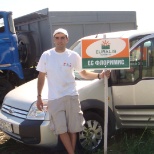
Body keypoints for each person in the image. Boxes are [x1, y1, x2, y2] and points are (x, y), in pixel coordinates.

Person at [36, 28, 110, 154]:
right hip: (54, 98)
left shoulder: (73, 56)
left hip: (71, 96)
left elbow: (84, 73)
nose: (60, 40)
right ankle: (72, 152)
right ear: (54, 40)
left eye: (62, 37)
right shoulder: (46, 55)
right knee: (61, 129)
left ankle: (71, 152)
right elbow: (41, 76)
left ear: (67, 39)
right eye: (57, 37)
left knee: (73, 128)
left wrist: (99, 75)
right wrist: (39, 96)